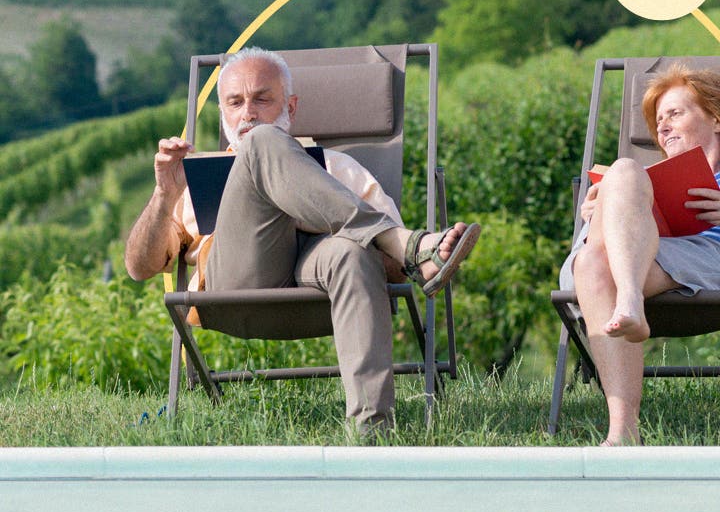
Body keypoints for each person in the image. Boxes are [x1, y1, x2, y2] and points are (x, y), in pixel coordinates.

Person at [125, 46, 480, 435]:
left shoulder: (337, 169)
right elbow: (139, 267)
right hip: (237, 290)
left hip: (324, 289)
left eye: (262, 98)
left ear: (290, 107)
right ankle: (410, 242)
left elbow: (393, 272)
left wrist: (317, 219)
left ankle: (371, 432)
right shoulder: (198, 179)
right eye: (235, 102)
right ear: (223, 113)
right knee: (261, 143)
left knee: (349, 252)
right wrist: (163, 195)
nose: (248, 113)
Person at [559, 63, 720, 446]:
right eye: (658, 120)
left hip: (707, 255)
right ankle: (629, 299)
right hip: (619, 266)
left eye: (675, 113)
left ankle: (623, 432)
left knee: (600, 258)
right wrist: (595, 218)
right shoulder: (641, 181)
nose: (662, 126)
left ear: (716, 118)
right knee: (624, 173)